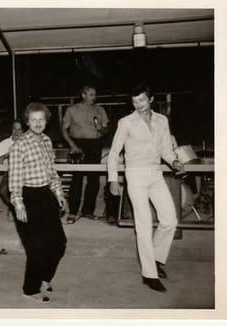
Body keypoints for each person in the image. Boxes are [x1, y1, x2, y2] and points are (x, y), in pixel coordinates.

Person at [107, 84, 184, 293]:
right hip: (135, 175)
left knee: (170, 220)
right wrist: (113, 180)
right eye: (135, 101)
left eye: (142, 100)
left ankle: (156, 258)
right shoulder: (126, 123)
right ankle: (149, 274)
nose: (138, 105)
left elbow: (166, 149)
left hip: (156, 173)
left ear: (150, 99)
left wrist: (174, 162)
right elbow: (114, 153)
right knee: (144, 223)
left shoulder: (162, 121)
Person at [9, 102, 68, 303]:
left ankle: (44, 278)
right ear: (27, 122)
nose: (37, 123)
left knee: (59, 243)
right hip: (28, 197)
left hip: (46, 195)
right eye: (33, 120)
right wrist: (19, 205)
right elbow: (14, 179)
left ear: (46, 121)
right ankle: (30, 288)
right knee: (37, 247)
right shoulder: (19, 145)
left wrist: (58, 193)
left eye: (41, 119)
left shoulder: (47, 141)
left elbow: (51, 171)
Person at [61, 84, 109, 224]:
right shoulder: (72, 110)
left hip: (94, 145)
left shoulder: (100, 110)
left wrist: (102, 130)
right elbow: (64, 129)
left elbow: (106, 129)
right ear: (83, 95)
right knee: (76, 179)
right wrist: (72, 145)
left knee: (94, 180)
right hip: (77, 145)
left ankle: (88, 211)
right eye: (91, 94)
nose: (94, 97)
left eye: (94, 94)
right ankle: (73, 212)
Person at [0, 119, 24, 209]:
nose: (16, 132)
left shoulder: (27, 143)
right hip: (9, 173)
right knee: (3, 190)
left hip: (25, 173)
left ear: (23, 131)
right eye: (14, 129)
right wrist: (6, 156)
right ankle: (16, 209)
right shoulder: (4, 144)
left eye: (19, 130)